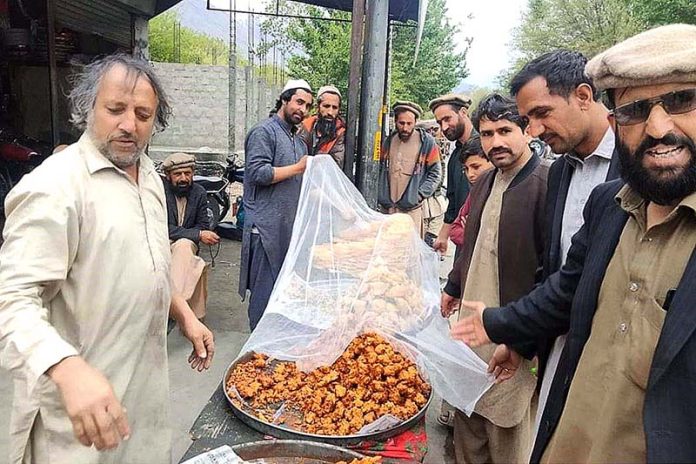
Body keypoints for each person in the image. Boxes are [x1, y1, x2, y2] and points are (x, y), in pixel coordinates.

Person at [452, 24, 696, 463]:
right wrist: (517, 334)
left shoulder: (629, 170)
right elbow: (567, 283)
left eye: (682, 101)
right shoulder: (598, 193)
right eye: (636, 110)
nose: (658, 127)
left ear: (585, 97)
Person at [0, 54, 212, 464]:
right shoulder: (56, 186)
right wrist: (66, 368)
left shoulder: (149, 176)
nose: (129, 125)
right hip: (79, 424)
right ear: (87, 109)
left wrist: (183, 312)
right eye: (115, 109)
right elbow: (11, 300)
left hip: (145, 406)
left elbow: (148, 263)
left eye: (143, 114)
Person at [508, 49, 622, 437]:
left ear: (584, 96)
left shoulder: (638, 165)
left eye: (542, 113)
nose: (535, 130)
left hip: (615, 364)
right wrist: (521, 341)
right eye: (527, 120)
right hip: (559, 348)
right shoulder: (559, 174)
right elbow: (552, 270)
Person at [442, 93, 549, 463]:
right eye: (487, 134)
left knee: (507, 437)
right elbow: (470, 244)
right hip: (471, 332)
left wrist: (521, 341)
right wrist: (452, 287)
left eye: (505, 130)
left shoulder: (544, 186)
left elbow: (549, 277)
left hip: (512, 339)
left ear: (527, 130)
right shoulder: (486, 182)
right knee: (468, 431)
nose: (495, 142)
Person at [239, 79, 313, 330]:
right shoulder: (264, 132)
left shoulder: (299, 140)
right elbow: (257, 173)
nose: (302, 109)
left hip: (287, 227)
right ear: (284, 99)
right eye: (299, 102)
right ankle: (256, 355)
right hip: (266, 228)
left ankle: (273, 346)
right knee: (263, 292)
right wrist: (298, 167)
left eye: (307, 106)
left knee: (282, 292)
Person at [162, 152, 220, 321]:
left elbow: (202, 225)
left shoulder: (199, 192)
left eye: (187, 173)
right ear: (168, 176)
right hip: (162, 241)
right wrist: (199, 234)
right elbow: (160, 228)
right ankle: (187, 311)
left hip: (187, 244)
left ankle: (173, 302)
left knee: (184, 246)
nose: (183, 178)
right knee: (198, 266)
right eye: (177, 174)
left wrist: (198, 233)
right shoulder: (159, 192)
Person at [377, 100, 442, 237]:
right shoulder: (389, 141)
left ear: (415, 122)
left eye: (409, 123)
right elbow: (380, 169)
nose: (405, 128)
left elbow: (435, 173)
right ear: (395, 121)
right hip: (388, 210)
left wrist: (418, 195)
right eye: (401, 123)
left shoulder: (426, 142)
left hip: (411, 211)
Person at [429, 94, 475, 257]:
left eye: (448, 119)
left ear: (463, 112)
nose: (444, 127)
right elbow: (454, 202)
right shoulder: (455, 157)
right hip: (463, 240)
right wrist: (443, 235)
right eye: (440, 122)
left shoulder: (487, 147)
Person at [449, 135, 493, 248]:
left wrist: (473, 231)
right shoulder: (474, 193)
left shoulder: (503, 192)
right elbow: (454, 231)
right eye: (466, 169)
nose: (470, 174)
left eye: (476, 167)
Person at [298, 85, 346, 169]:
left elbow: (335, 165)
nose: (330, 112)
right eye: (326, 106)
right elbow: (297, 156)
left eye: (334, 107)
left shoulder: (340, 132)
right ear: (318, 107)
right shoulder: (306, 126)